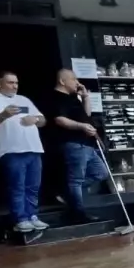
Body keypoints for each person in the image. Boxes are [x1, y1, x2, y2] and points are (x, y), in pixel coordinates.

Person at [45, 69, 107, 223]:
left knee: (101, 172)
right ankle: (78, 213)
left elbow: (86, 115)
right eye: (73, 79)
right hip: (73, 143)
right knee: (76, 180)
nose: (77, 83)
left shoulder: (73, 97)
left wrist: (85, 98)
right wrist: (81, 126)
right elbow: (60, 120)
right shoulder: (56, 97)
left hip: (87, 143)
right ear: (62, 81)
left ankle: (66, 193)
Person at [0, 71, 48, 233]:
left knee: (33, 186)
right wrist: (4, 115)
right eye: (10, 83)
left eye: (16, 83)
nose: (14, 86)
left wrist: (35, 119)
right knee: (17, 186)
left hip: (33, 148)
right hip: (11, 149)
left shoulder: (24, 100)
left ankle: (32, 215)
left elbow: (42, 120)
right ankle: (21, 218)